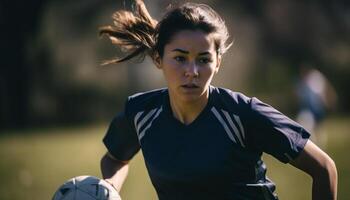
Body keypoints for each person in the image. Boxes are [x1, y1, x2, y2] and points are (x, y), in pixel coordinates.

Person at [99, 1, 337, 199]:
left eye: (203, 60)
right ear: (158, 58)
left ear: (218, 63)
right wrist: (109, 187)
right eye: (180, 58)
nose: (192, 71)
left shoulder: (243, 114)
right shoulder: (140, 113)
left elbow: (324, 168)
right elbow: (114, 159)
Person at [295, 64, 338, 146]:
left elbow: (324, 89)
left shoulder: (316, 77)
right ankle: (314, 144)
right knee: (309, 126)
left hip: (316, 107)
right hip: (309, 108)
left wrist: (329, 99)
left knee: (319, 128)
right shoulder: (303, 82)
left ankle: (319, 145)